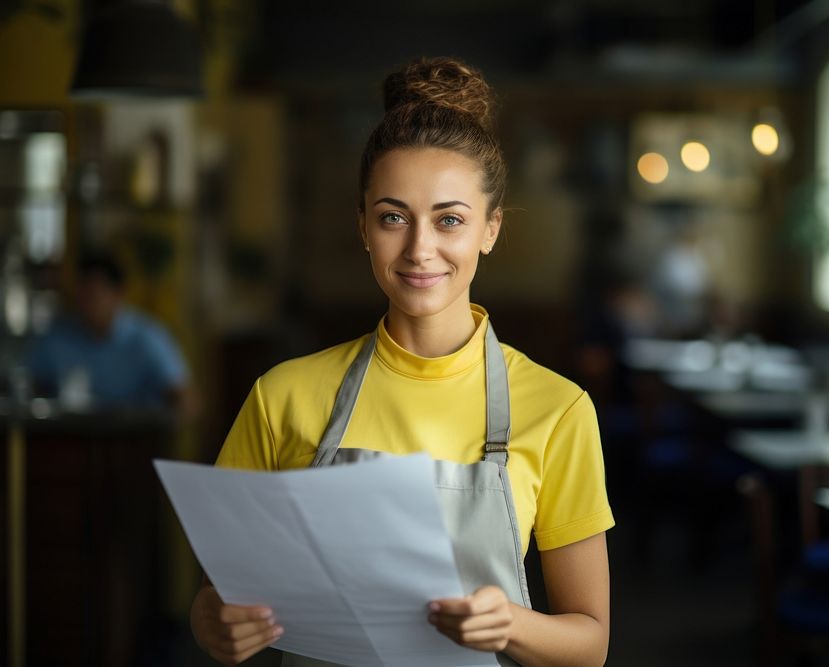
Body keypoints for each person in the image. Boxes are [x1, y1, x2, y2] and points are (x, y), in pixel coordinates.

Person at [190, 57, 614, 667]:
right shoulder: (282, 396)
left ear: (490, 230)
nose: (420, 249)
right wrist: (215, 625)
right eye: (393, 217)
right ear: (363, 225)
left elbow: (590, 644)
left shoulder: (558, 409)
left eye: (450, 221)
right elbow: (215, 601)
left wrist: (510, 625)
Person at [28, 252, 194, 415]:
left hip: (134, 437)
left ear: (118, 294)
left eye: (95, 295)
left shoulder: (147, 338)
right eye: (82, 294)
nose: (87, 304)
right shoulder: (58, 336)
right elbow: (29, 385)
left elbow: (185, 398)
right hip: (68, 436)